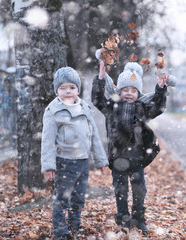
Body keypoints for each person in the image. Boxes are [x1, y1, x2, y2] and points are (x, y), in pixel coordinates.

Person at [91, 61, 173, 235]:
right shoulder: (112, 107)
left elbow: (159, 107)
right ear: (119, 91)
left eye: (133, 90)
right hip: (118, 156)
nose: (129, 93)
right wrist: (99, 79)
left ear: (138, 93)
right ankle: (123, 220)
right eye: (126, 90)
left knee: (139, 191)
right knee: (120, 191)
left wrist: (160, 90)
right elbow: (97, 99)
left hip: (137, 157)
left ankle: (139, 219)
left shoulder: (142, 108)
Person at [41, 66, 109, 240]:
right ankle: (60, 231)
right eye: (63, 88)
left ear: (78, 89)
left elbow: (93, 136)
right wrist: (48, 165)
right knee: (62, 198)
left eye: (71, 87)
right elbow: (47, 141)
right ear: (57, 91)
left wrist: (101, 160)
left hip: (83, 161)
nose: (68, 91)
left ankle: (74, 223)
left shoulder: (85, 108)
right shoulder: (53, 111)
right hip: (64, 161)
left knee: (78, 197)